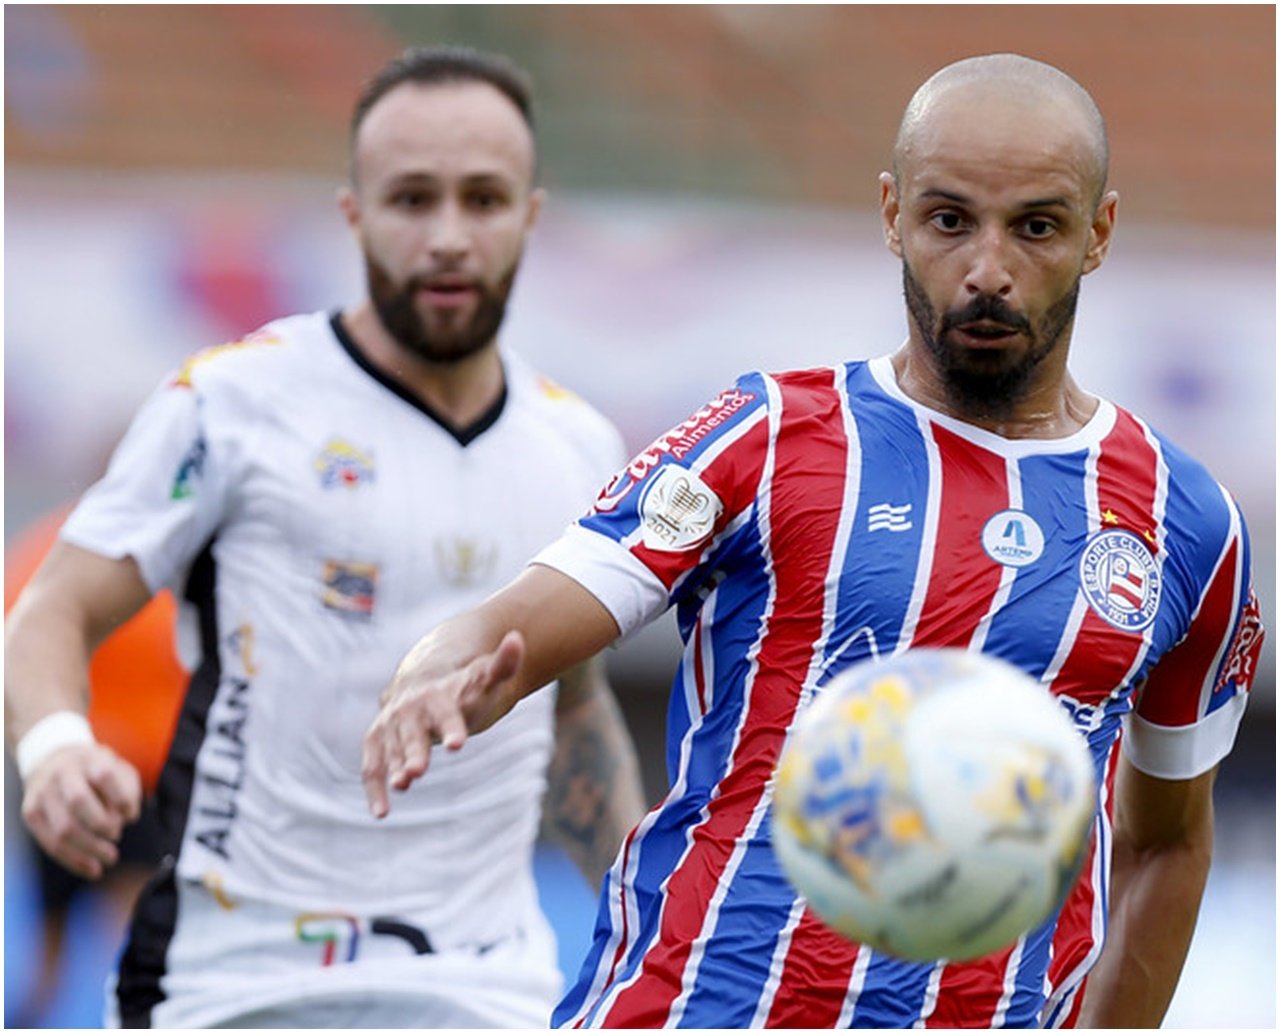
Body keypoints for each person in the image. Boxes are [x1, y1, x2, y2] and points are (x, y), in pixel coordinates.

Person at [362, 53, 1265, 1029]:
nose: (988, 270)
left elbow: (1166, 844)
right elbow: (534, 611)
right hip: (696, 1008)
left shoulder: (1184, 520)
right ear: (891, 215)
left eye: (1035, 226)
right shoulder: (768, 432)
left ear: (1097, 231)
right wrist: (444, 664)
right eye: (948, 220)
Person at [4, 45, 646, 1029]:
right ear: (353, 213)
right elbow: (53, 605)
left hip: (484, 989)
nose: (445, 237)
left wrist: (643, 903)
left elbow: (571, 713)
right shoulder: (233, 403)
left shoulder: (577, 444)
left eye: (481, 199)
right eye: (409, 198)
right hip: (234, 982)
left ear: (530, 214)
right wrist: (53, 746)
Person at [5, 506, 185, 1028]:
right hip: (101, 775)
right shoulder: (76, 557)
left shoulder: (54, 552)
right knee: (121, 936)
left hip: (122, 779)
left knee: (114, 935)